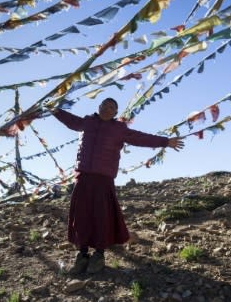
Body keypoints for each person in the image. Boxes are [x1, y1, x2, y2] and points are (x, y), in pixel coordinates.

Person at [53, 98, 185, 274]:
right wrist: (55, 111)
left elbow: (140, 138)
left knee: (102, 217)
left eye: (111, 107)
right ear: (98, 108)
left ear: (116, 113)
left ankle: (99, 255)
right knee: (81, 216)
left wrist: (165, 142)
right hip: (83, 177)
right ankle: (82, 255)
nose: (107, 109)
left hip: (104, 179)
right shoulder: (87, 122)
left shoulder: (119, 129)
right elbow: (71, 121)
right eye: (104, 106)